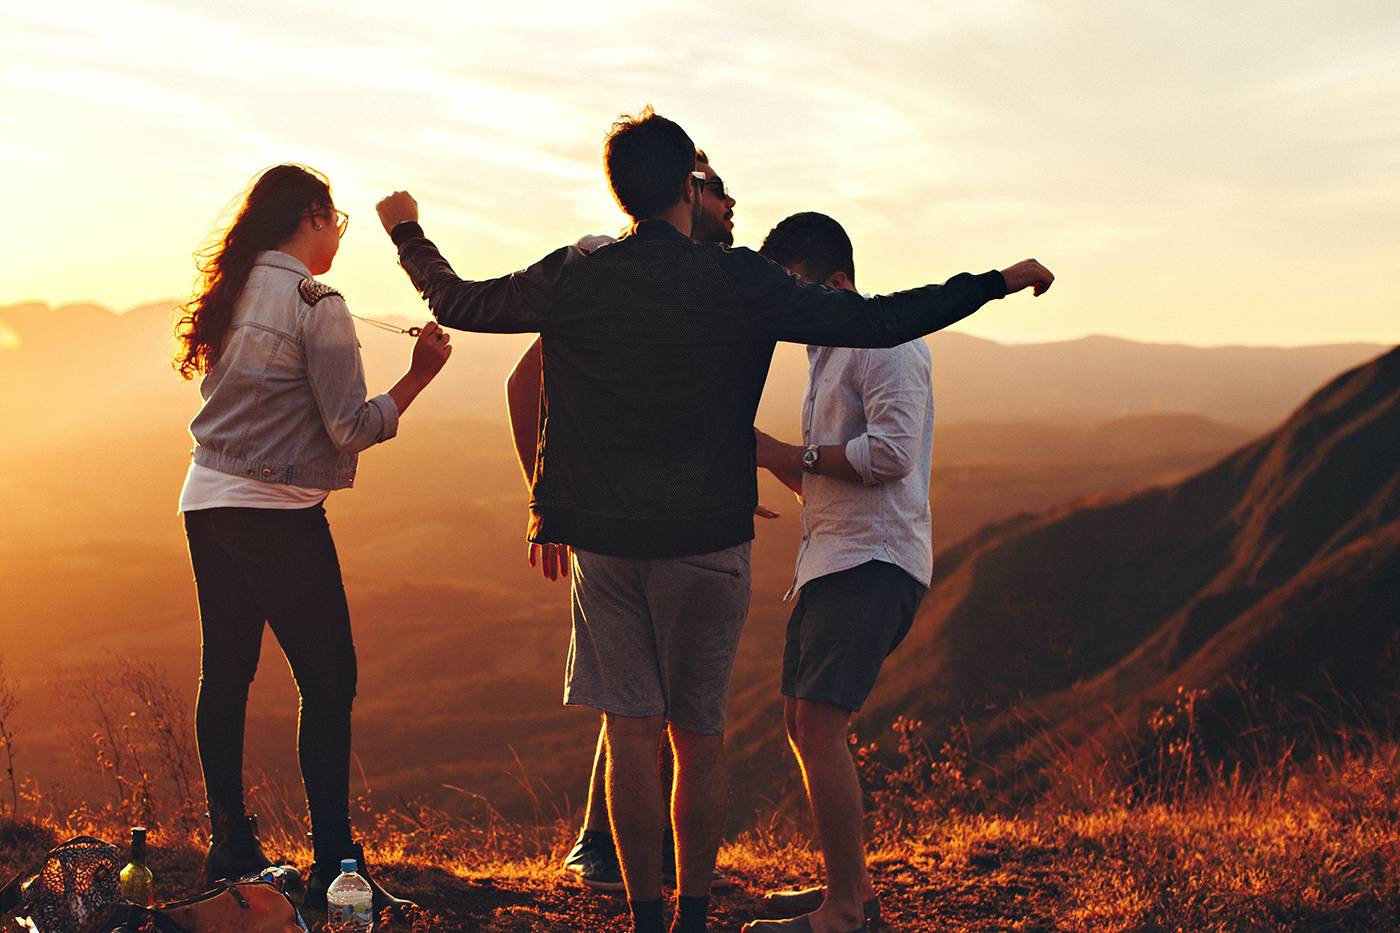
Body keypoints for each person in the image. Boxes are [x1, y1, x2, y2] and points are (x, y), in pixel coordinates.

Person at [376, 107, 1052, 933]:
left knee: (629, 732)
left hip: (608, 540)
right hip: (710, 538)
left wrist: (408, 231)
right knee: (700, 735)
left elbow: (460, 301)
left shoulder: (578, 274)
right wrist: (997, 281)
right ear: (688, 188)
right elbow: (878, 319)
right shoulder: (738, 279)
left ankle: (649, 919)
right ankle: (695, 914)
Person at [173, 163, 450, 915]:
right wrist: (420, 375)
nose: (338, 238)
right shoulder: (316, 302)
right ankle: (337, 865)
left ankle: (229, 841)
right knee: (328, 678)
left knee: (226, 670)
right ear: (313, 216)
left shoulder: (233, 290)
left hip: (206, 498)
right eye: (338, 222)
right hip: (277, 510)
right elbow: (350, 426)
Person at [504, 150, 740, 894]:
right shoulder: (609, 271)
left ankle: (624, 853)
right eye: (717, 188)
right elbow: (525, 380)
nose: (733, 203)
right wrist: (547, 501)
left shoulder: (699, 284)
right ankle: (607, 847)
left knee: (644, 700)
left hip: (666, 514)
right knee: (640, 704)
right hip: (618, 522)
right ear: (684, 194)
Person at [741, 212, 946, 933]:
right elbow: (831, 473)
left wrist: (781, 450)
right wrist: (774, 462)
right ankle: (850, 887)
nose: (782, 306)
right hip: (832, 557)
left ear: (831, 280)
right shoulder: (826, 353)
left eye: (789, 287)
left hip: (873, 559)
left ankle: (846, 910)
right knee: (803, 720)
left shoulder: (882, 341)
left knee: (821, 722)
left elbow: (889, 455)